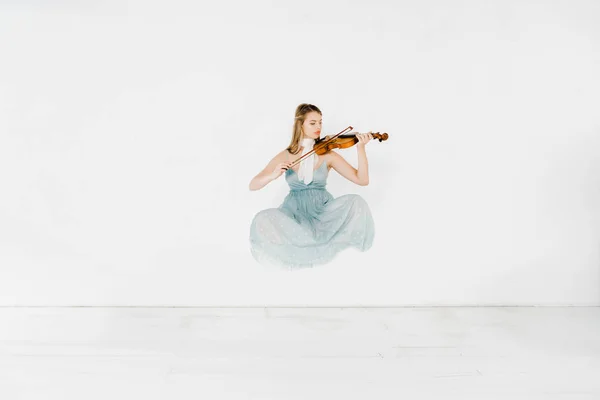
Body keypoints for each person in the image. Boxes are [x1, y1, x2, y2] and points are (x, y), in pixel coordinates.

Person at [248, 103, 375, 269]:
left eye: (320, 122)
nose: (319, 127)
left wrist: (360, 148)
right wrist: (272, 176)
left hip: (322, 210)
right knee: (262, 218)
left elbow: (362, 180)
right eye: (313, 123)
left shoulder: (327, 153)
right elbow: (253, 185)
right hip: (294, 211)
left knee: (356, 202)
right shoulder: (286, 155)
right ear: (301, 125)